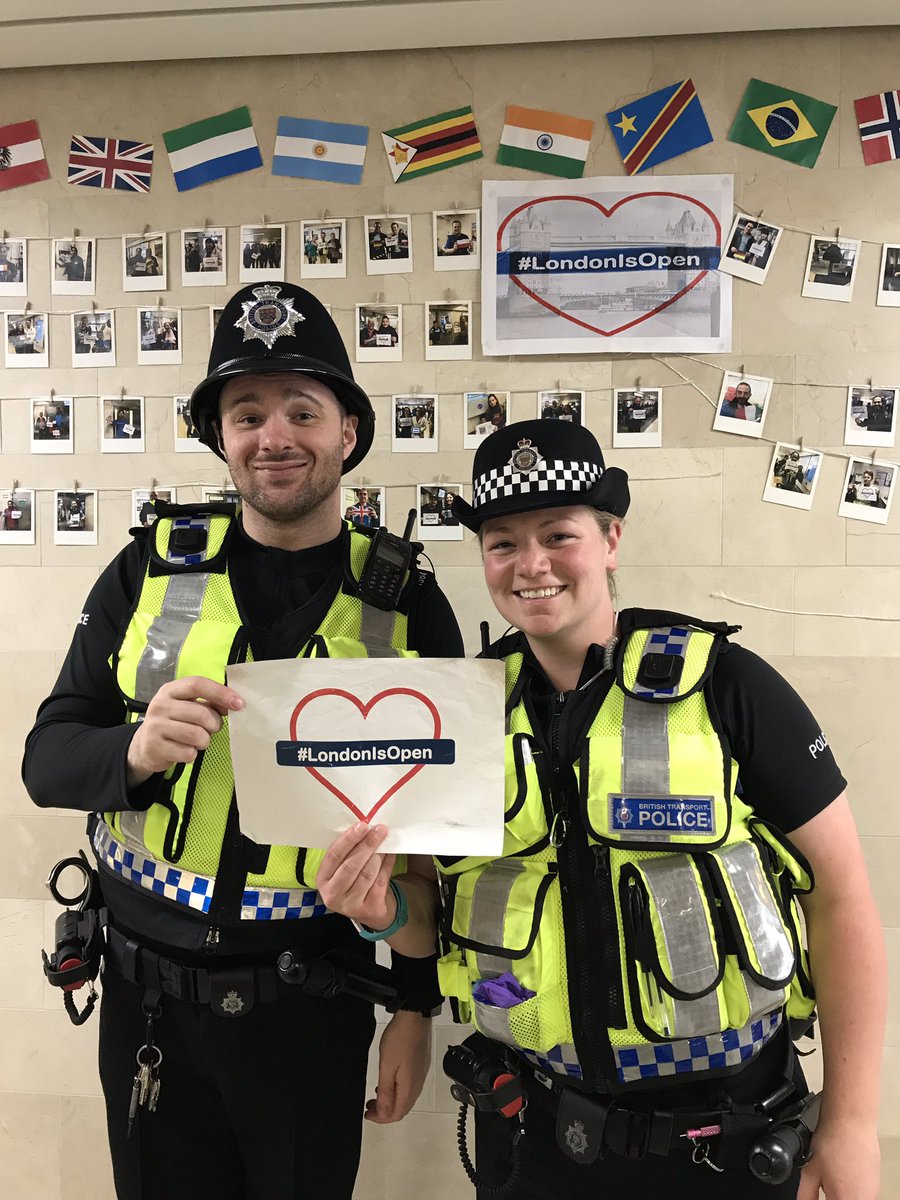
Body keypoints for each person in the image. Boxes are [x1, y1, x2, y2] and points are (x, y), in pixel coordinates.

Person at [319, 419, 885, 1200]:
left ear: (611, 538)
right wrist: (375, 910)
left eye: (559, 534)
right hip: (536, 1131)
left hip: (728, 1135)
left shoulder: (729, 686)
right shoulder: (454, 713)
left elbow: (842, 895)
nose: (532, 565)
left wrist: (852, 1124)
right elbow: (425, 919)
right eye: (503, 542)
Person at [23, 281, 464, 1200]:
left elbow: (435, 850)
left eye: (303, 409)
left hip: (312, 1008)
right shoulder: (148, 566)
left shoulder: (409, 602)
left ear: (347, 431)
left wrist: (415, 1010)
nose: (275, 436)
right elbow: (46, 757)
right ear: (221, 435)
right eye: (247, 411)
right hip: (148, 1004)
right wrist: (134, 754)